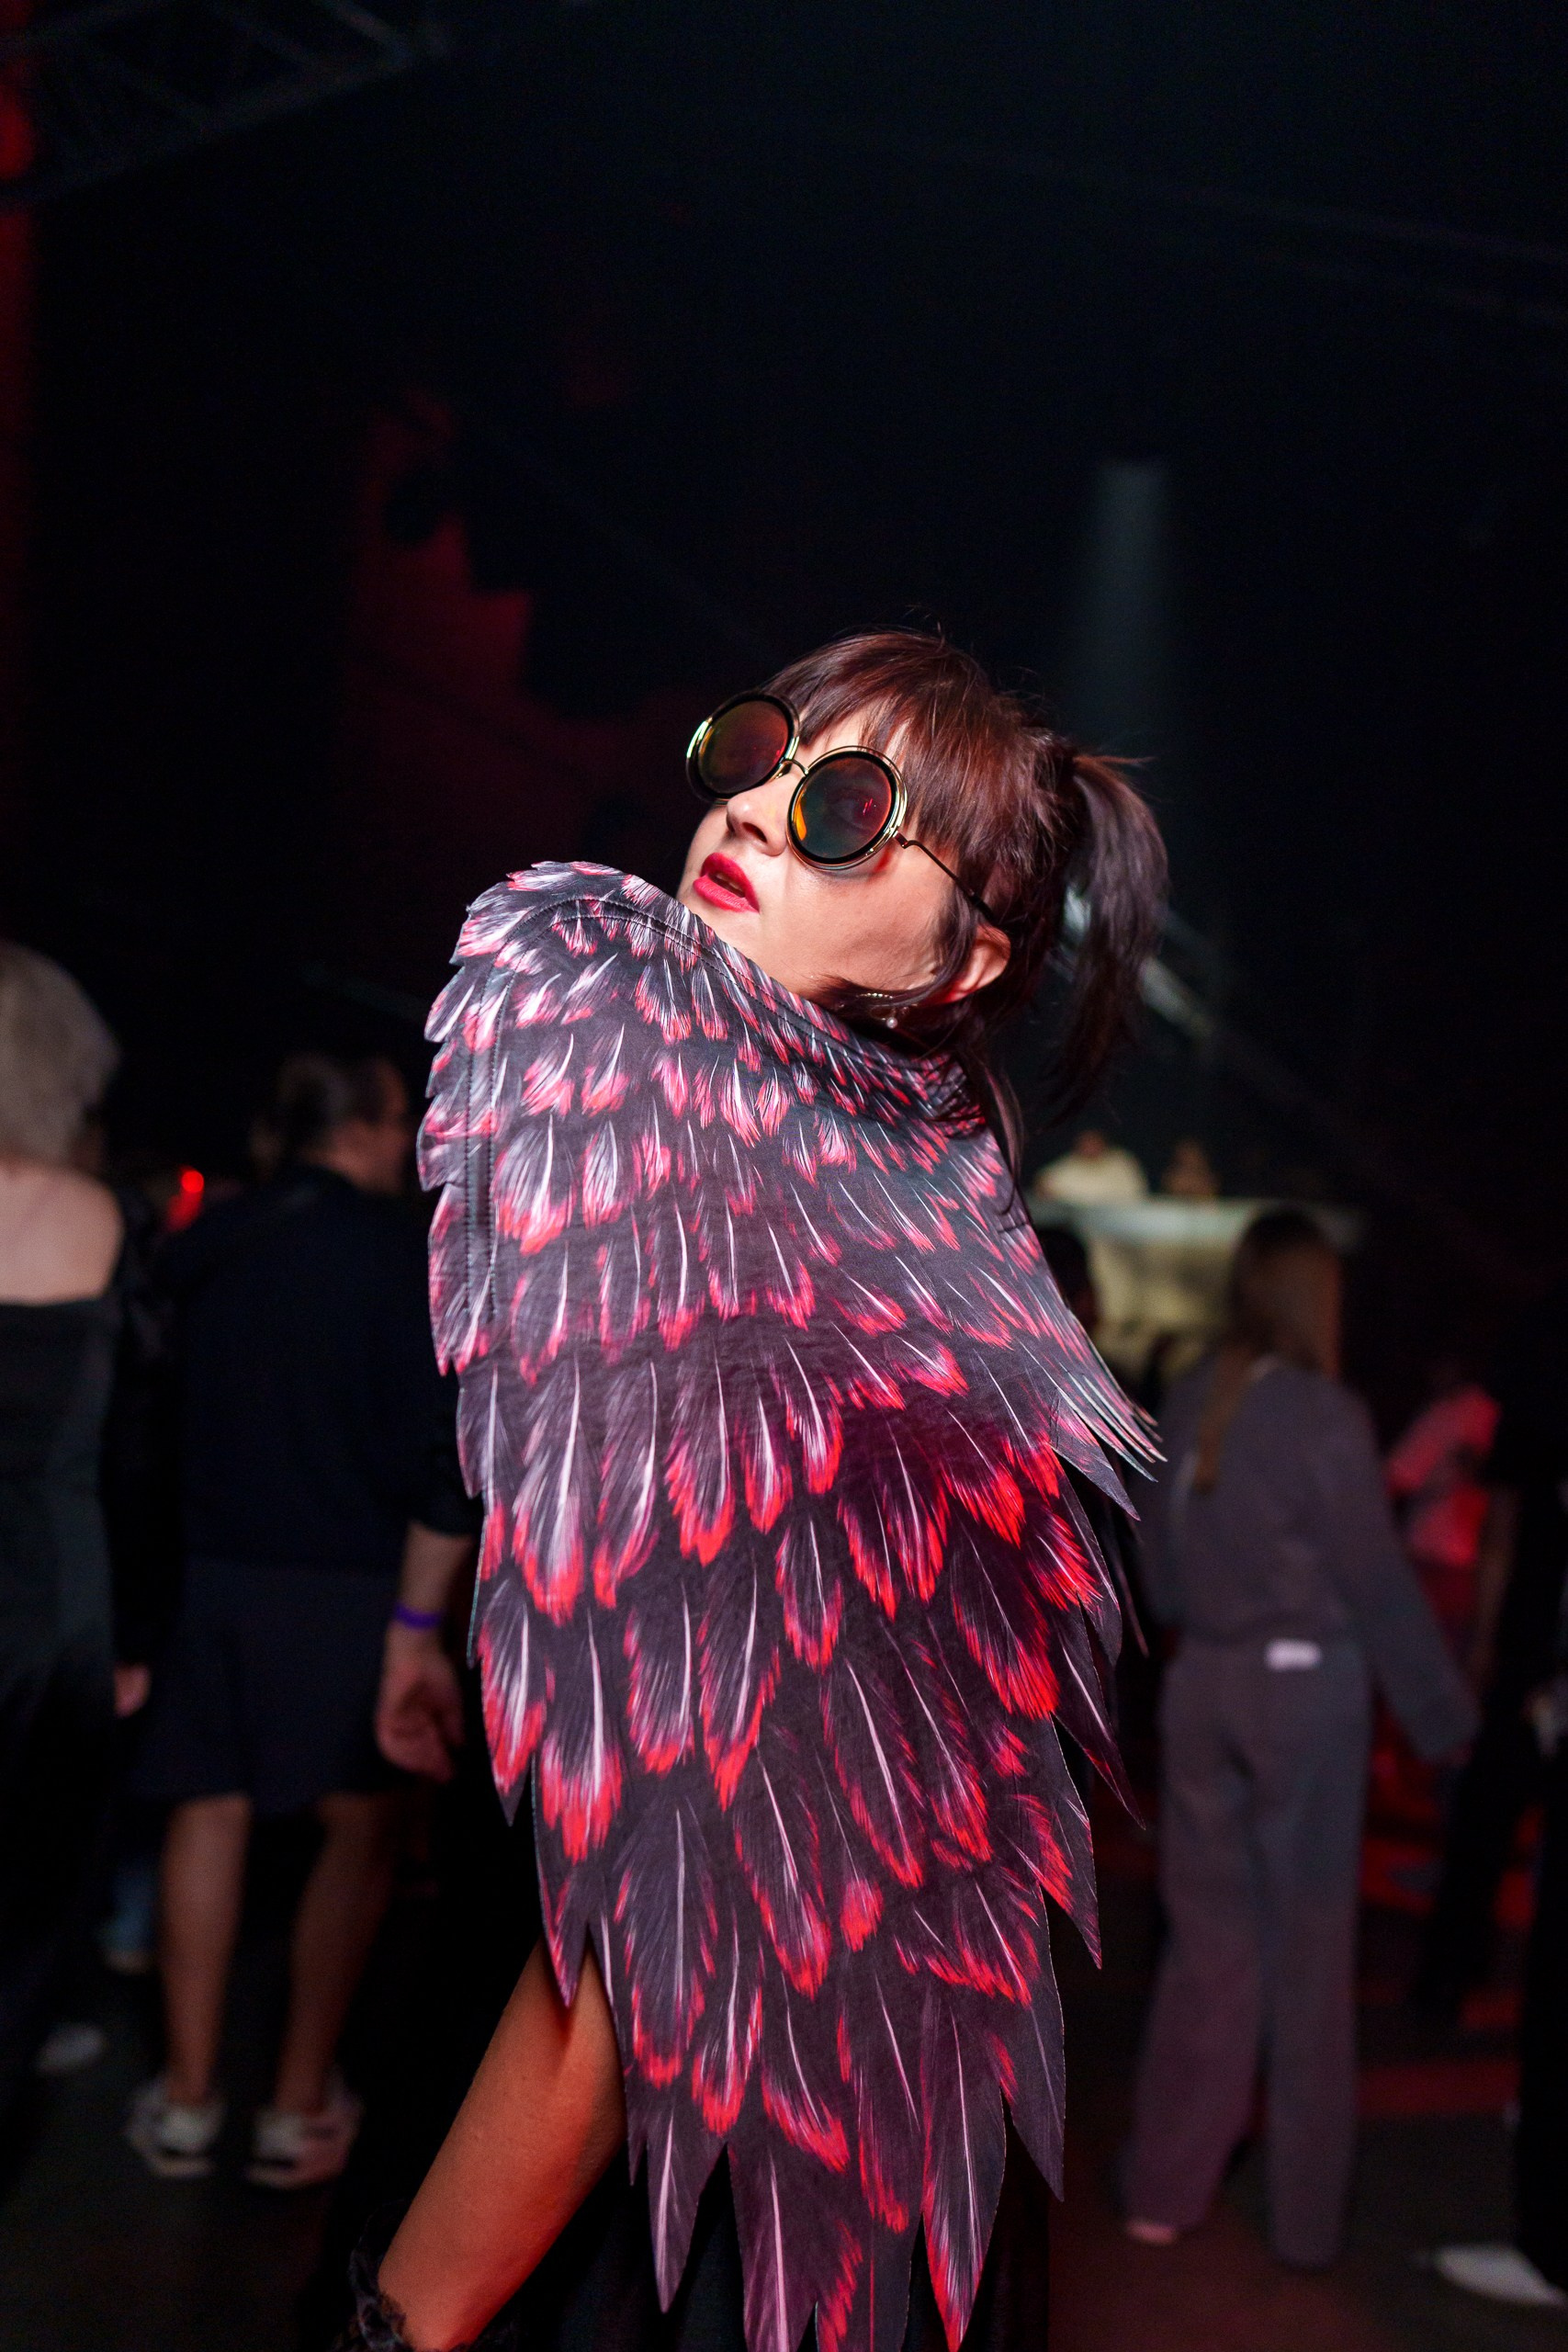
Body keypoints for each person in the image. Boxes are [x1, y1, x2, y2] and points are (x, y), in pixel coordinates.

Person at [339, 628, 1168, 2352]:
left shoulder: (811, 1307)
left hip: (717, 2226)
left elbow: (632, 1978)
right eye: (759, 753)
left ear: (962, 958)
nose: (760, 812)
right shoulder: (871, 1225)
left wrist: (394, 2327)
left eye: (849, 809)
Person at [129, 1052, 477, 2188]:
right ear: (368, 1126)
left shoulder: (207, 1242)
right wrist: (417, 1626)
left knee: (206, 1812)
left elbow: (137, 1427)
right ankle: (295, 2101)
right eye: (403, 1114)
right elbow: (445, 1462)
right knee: (359, 1835)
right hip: (351, 1591)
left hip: (210, 1575)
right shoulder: (401, 1255)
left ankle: (186, 2102)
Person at [1122, 1210, 1476, 2269]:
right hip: (1303, 1699)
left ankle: (1161, 2191)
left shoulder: (1192, 1395)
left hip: (1202, 1688)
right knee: (1310, 1964)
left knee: (1207, 1953)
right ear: (1316, 1296)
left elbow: (1159, 1577)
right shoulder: (1324, 1414)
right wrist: (1446, 1723)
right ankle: (1307, 2224)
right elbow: (1375, 1580)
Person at [0, 944, 160, 2119]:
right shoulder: (103, 1218)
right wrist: (137, 1632)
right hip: (46, 1607)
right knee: (24, 1903)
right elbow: (139, 1452)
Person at [1413, 1286, 1568, 2017]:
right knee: (1490, 1818)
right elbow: (1501, 1528)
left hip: (1526, 1636)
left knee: (1484, 1819)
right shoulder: (1533, 1410)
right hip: (1530, 1639)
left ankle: (1447, 1976)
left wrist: (1482, 1643)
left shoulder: (1532, 1404)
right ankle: (1458, 1976)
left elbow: (1502, 1531)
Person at [1385, 1361, 1498, 1661]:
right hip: (1464, 1562)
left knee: (1415, 1658)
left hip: (1434, 1559)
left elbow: (1397, 1477)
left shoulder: (1451, 1412)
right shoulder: (1488, 1413)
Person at [1029, 1126, 1147, 1212]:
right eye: (1086, 1141)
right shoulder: (1071, 1163)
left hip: (1117, 1221)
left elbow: (1135, 1194)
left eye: (1094, 1141)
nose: (1090, 1146)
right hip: (1077, 1224)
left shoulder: (1121, 1162)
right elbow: (1045, 1182)